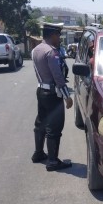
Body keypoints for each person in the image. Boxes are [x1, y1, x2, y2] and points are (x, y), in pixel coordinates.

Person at [31, 22, 73, 171]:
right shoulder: (51, 52)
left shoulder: (36, 50)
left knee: (41, 123)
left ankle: (38, 153)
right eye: (58, 35)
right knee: (54, 128)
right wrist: (67, 96)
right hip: (52, 94)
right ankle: (53, 161)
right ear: (53, 35)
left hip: (41, 91)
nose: (59, 38)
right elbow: (58, 77)